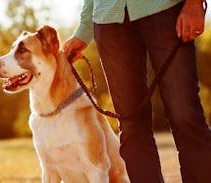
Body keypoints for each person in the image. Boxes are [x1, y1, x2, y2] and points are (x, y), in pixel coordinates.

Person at [62, 0, 211, 183]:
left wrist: (195, 3)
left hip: (164, 9)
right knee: (131, 126)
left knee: (185, 114)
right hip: (109, 18)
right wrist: (85, 28)